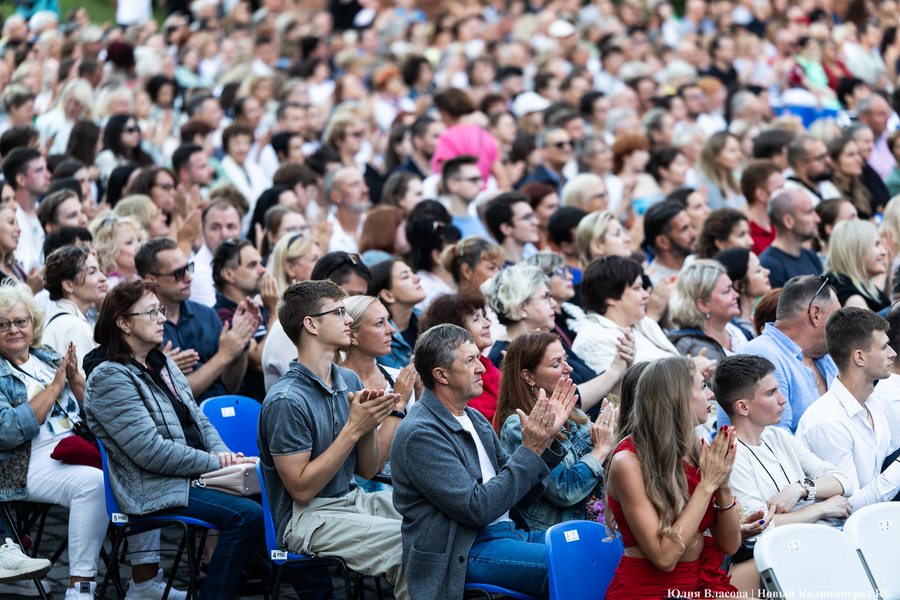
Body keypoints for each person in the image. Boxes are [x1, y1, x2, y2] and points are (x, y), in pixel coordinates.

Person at [0, 281, 181, 600]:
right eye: (3, 324)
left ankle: (144, 582)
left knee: (141, 467)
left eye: (20, 321)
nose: (14, 329)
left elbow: (93, 408)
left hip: (76, 445)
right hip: (26, 461)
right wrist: (55, 387)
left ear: (33, 322)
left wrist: (74, 380)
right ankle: (79, 587)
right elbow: (9, 430)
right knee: (95, 484)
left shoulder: (47, 358)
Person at [83, 279, 263, 600]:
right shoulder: (110, 377)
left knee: (271, 493)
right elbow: (150, 452)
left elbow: (200, 420)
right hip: (152, 486)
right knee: (246, 515)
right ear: (123, 323)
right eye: (152, 312)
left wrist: (226, 457)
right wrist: (215, 463)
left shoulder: (160, 362)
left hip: (190, 475)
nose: (163, 318)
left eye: (161, 310)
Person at [390, 324, 574, 598]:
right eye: (470, 360)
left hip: (509, 534)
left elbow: (519, 497)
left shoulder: (473, 417)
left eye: (478, 357)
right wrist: (530, 449)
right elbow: (477, 509)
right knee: (570, 566)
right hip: (465, 552)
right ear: (441, 375)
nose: (482, 368)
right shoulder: (421, 432)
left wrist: (543, 442)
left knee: (600, 547)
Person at [256, 280, 408, 598]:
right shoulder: (286, 399)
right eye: (339, 312)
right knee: (411, 542)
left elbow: (366, 471)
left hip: (350, 499)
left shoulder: (347, 379)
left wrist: (369, 424)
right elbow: (301, 489)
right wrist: (354, 428)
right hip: (305, 518)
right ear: (311, 324)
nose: (349, 319)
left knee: (436, 518)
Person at [712, 355, 853, 596]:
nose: (783, 399)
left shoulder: (779, 436)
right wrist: (821, 508)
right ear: (743, 407)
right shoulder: (729, 453)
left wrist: (800, 488)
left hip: (812, 548)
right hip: (783, 561)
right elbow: (759, 527)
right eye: (771, 393)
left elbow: (843, 482)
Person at [603, 356, 741, 599]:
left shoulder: (695, 448)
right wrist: (707, 485)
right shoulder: (628, 461)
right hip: (648, 591)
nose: (711, 395)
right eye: (703, 386)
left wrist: (723, 482)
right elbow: (664, 557)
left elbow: (729, 545)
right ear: (678, 399)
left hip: (698, 584)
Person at [496, 331, 618, 530]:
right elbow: (565, 491)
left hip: (595, 524)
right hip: (556, 536)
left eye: (566, 359)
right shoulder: (520, 425)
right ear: (528, 376)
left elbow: (604, 474)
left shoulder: (574, 413)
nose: (568, 368)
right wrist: (601, 450)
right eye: (556, 364)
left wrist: (614, 432)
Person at [482, 263, 634, 413]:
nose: (554, 303)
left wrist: (621, 367)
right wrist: (614, 371)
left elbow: (599, 392)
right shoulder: (504, 355)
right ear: (522, 308)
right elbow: (568, 406)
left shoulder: (548, 339)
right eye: (545, 297)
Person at [797, 307, 900, 509]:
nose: (893, 353)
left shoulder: (873, 404)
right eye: (884, 347)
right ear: (859, 357)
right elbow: (850, 506)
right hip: (838, 533)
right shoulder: (828, 422)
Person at [136, 238, 259, 402]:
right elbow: (176, 396)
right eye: (178, 273)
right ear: (151, 280)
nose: (189, 278)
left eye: (189, 268)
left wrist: (241, 342)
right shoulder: (142, 327)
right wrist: (223, 356)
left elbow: (230, 387)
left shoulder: (207, 315)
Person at [338, 295, 419, 491]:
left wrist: (422, 392)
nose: (391, 330)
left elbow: (419, 446)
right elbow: (372, 469)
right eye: (379, 323)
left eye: (388, 320)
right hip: (366, 498)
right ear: (352, 334)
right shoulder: (338, 387)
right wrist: (399, 405)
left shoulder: (397, 378)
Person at [740, 275, 840, 433]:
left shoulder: (827, 355)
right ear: (815, 315)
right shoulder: (761, 355)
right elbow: (777, 443)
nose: (840, 326)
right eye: (836, 316)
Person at [573, 256, 683, 373]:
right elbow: (621, 390)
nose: (645, 295)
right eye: (637, 288)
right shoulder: (593, 341)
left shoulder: (643, 322)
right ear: (611, 296)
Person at [212, 238, 279, 402]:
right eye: (252, 265)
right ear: (228, 274)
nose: (262, 270)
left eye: (260, 263)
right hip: (254, 405)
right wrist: (276, 310)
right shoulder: (222, 315)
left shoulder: (262, 308)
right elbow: (261, 362)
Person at [419, 292, 501, 423]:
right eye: (476, 319)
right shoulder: (460, 384)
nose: (487, 323)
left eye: (484, 316)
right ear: (453, 331)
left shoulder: (485, 364)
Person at [669, 260, 747, 374]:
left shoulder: (734, 327)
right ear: (703, 304)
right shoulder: (691, 347)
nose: (736, 295)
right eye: (727, 291)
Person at [41, 246, 107, 375]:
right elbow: (90, 387)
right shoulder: (74, 326)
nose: (103, 277)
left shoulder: (66, 321)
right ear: (68, 285)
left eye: (100, 270)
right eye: (92, 272)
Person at [368, 258, 426, 370]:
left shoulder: (428, 319)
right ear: (388, 295)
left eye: (412, 272)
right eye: (405, 276)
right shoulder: (377, 337)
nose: (417, 278)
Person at [758, 190, 824, 289]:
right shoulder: (770, 266)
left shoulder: (811, 256)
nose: (817, 219)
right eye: (809, 212)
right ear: (788, 221)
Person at [823, 219, 890, 312]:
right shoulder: (853, 299)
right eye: (876, 244)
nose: (884, 251)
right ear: (856, 250)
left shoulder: (861, 286)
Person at [3, 148, 50, 276]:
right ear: (21, 179)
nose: (48, 175)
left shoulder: (43, 210)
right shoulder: (9, 220)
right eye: (39, 170)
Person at [190, 200, 242, 307]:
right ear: (202, 230)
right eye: (216, 228)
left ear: (240, 228)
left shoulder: (244, 263)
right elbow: (218, 318)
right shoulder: (195, 272)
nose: (225, 234)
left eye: (231, 226)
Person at [219, 124, 270, 233]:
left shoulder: (256, 168)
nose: (243, 148)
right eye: (237, 144)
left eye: (247, 143)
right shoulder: (222, 170)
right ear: (227, 145)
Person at [714, 248, 771, 340]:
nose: (767, 271)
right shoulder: (732, 331)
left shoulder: (754, 317)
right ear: (740, 285)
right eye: (758, 270)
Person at [643, 201, 698, 284]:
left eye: (692, 226)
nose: (694, 233)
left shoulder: (694, 262)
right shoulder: (655, 284)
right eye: (684, 229)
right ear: (662, 242)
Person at [94, 114, 155, 187]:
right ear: (116, 132)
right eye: (130, 130)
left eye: (137, 129)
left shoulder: (144, 157)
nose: (135, 134)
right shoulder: (106, 157)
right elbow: (111, 185)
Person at [324, 166, 372, 254]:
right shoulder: (325, 234)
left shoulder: (375, 223)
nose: (365, 189)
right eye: (354, 185)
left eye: (364, 183)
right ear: (336, 196)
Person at [442, 155, 492, 240]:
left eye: (481, 179)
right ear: (453, 185)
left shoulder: (479, 220)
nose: (481, 185)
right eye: (473, 180)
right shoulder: (443, 225)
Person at [90, 215, 146, 289]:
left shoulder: (141, 275)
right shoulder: (111, 286)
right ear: (109, 251)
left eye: (139, 240)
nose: (139, 246)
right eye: (129, 242)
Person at [783, 136, 841, 206]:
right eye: (820, 158)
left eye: (827, 155)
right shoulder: (790, 193)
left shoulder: (826, 184)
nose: (828, 161)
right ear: (801, 166)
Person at [741, 160, 784, 256]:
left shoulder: (783, 224)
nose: (786, 193)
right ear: (761, 195)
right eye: (780, 189)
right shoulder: (746, 236)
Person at [484, 192, 540, 265]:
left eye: (534, 216)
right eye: (527, 218)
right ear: (506, 228)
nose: (536, 222)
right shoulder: (497, 271)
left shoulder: (533, 264)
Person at [828, 134, 873, 220]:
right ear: (834, 163)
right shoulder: (831, 193)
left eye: (858, 154)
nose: (859, 159)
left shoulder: (861, 187)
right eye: (850, 155)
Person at [441, 237, 505, 297]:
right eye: (492, 268)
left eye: (499, 268)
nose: (499, 274)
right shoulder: (452, 308)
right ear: (467, 271)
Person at [696, 131, 745, 210]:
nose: (739, 155)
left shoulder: (737, 180)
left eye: (739, 150)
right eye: (732, 150)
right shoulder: (707, 188)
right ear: (716, 156)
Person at [520, 182, 559, 251]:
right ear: (532, 210)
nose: (556, 212)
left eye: (557, 206)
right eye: (550, 207)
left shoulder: (559, 240)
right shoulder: (526, 247)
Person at [0, 203, 28, 287]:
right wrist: (32, 288)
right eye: (11, 222)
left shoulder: (15, 266)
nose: (19, 229)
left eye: (17, 223)